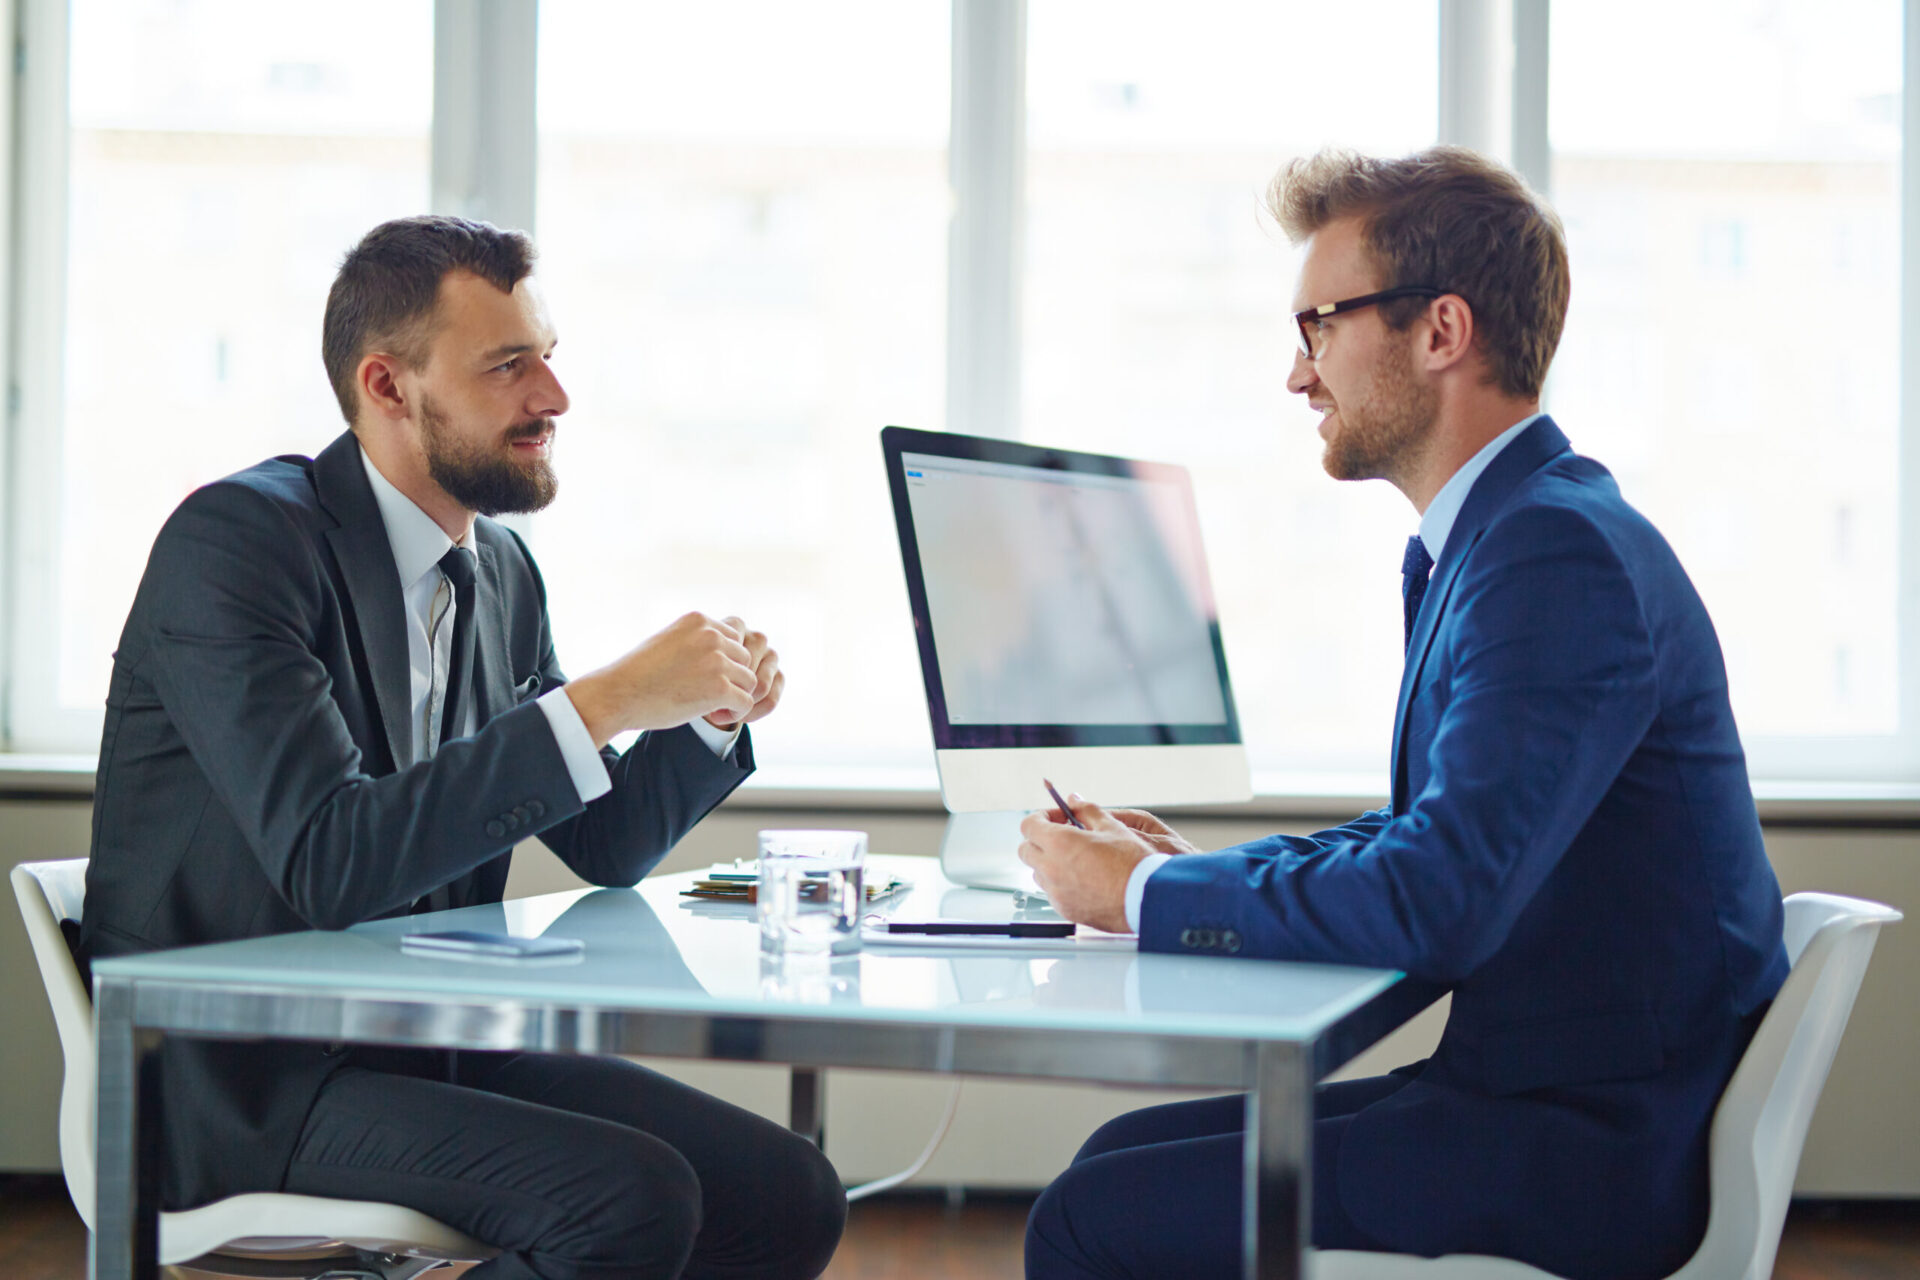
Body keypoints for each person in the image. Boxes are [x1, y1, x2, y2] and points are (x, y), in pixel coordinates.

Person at [1017, 148, 1789, 1280]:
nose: (1298, 373)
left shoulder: (1549, 551)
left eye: (1319, 325)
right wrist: (1189, 870)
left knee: (1090, 1216)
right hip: (1556, 1098)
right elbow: (1431, 836)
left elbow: (1440, 897)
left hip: (1588, 1150)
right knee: (1112, 1160)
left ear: (1440, 332)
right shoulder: (1512, 534)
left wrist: (1138, 894)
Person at [76, 215, 846, 1280]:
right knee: (629, 1200)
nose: (555, 398)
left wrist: (707, 715)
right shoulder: (241, 543)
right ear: (387, 386)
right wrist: (610, 694)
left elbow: (607, 841)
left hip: (421, 1047)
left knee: (788, 1192)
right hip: (239, 1079)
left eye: (549, 356)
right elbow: (329, 858)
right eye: (509, 365)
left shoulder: (502, 575)